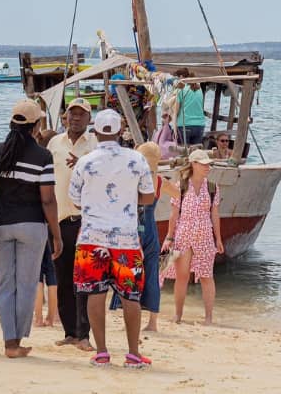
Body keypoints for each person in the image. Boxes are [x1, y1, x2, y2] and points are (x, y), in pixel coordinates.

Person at [69, 108, 155, 369]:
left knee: (95, 294)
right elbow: (149, 197)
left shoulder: (85, 161)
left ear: (95, 131)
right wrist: (130, 200)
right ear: (120, 132)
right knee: (131, 296)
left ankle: (102, 352)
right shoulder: (137, 159)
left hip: (91, 238)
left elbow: (74, 200)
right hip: (126, 240)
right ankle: (132, 354)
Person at [0, 100, 62, 359]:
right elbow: (47, 199)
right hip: (32, 226)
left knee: (5, 285)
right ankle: (18, 341)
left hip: (1, 225)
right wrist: (56, 234)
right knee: (26, 285)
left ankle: (9, 343)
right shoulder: (43, 156)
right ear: (36, 126)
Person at [46, 98, 98, 350]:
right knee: (63, 280)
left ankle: (84, 334)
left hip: (85, 223)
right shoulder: (54, 143)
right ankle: (70, 332)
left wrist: (84, 165)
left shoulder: (96, 146)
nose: (76, 118)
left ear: (89, 119)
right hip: (58, 222)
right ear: (65, 117)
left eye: (81, 114)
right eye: (72, 114)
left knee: (84, 282)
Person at [161, 150, 225, 324]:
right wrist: (169, 237)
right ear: (194, 164)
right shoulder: (180, 186)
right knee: (182, 277)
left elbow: (215, 214)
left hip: (205, 235)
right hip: (184, 235)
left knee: (206, 276)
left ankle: (209, 318)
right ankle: (178, 315)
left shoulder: (212, 187)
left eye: (208, 164)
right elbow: (174, 215)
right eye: (204, 164)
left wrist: (218, 239)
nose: (207, 167)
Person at [110, 141, 163, 333]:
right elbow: (178, 194)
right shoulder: (159, 181)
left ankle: (129, 321)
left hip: (134, 229)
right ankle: (153, 323)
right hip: (152, 230)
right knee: (152, 275)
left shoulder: (134, 180)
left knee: (130, 275)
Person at [174, 69, 205, 145]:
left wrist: (174, 130)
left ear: (181, 77)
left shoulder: (181, 90)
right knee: (196, 154)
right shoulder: (199, 89)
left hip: (185, 125)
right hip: (199, 125)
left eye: (177, 78)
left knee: (183, 154)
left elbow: (176, 112)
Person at [33, 240, 58, 327]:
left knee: (37, 276)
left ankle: (38, 319)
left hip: (37, 234)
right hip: (52, 234)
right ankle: (50, 319)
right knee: (52, 276)